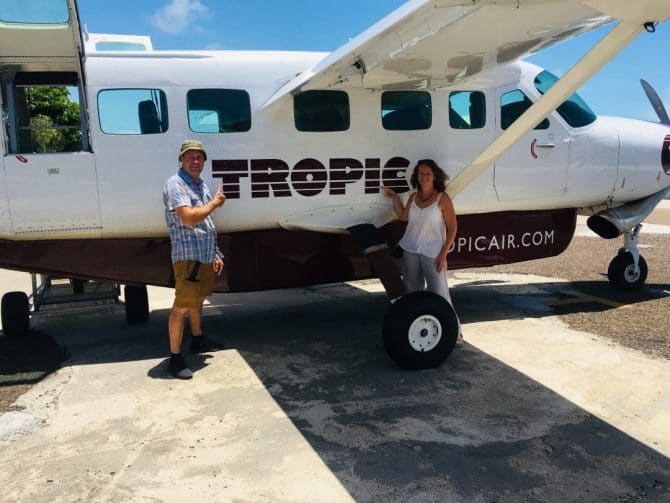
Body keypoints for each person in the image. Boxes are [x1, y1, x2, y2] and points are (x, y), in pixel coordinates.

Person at [383, 159, 464, 347]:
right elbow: (404, 216)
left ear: (434, 176)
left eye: (428, 173)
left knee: (440, 293)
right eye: (420, 174)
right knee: (411, 293)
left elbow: (452, 228)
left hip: (433, 253)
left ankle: (455, 333)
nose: (424, 177)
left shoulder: (442, 199)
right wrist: (395, 198)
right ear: (416, 177)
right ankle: (412, 327)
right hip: (410, 250)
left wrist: (443, 254)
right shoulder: (413, 197)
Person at [163, 139, 226, 379]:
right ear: (181, 159)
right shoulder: (176, 184)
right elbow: (189, 218)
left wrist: (216, 253)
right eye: (190, 156)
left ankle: (197, 340)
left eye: (199, 157)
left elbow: (206, 224)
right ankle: (175, 359)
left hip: (204, 256)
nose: (195, 161)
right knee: (181, 307)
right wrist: (214, 204)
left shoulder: (199, 185)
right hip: (188, 258)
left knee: (197, 300)